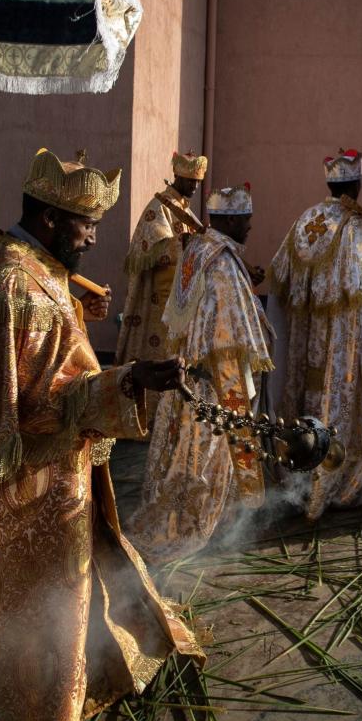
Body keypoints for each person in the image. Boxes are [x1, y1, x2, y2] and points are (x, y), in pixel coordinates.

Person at [0, 149, 202, 721]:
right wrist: (130, 377)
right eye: (86, 224)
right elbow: (37, 409)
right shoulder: (19, 286)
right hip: (24, 494)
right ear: (52, 219)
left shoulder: (17, 266)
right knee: (22, 612)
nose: (92, 237)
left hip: (30, 484)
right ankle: (19, 718)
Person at [126, 185, 272, 561]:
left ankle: (204, 513)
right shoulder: (220, 262)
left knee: (186, 451)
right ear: (229, 219)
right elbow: (230, 335)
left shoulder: (197, 249)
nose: (251, 226)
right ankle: (203, 521)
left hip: (189, 371)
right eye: (246, 219)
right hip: (213, 380)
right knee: (206, 456)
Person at [269, 149, 362, 520]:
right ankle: (343, 478)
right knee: (339, 404)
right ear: (357, 184)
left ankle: (301, 475)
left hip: (307, 345)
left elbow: (280, 276)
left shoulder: (305, 221)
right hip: (343, 350)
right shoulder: (358, 229)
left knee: (308, 401)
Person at [116, 151, 207, 422]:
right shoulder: (159, 206)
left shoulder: (183, 208)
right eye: (190, 181)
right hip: (158, 300)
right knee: (159, 354)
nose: (194, 187)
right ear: (177, 176)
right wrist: (182, 244)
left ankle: (173, 413)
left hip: (181, 297)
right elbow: (148, 246)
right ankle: (150, 414)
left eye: (197, 182)